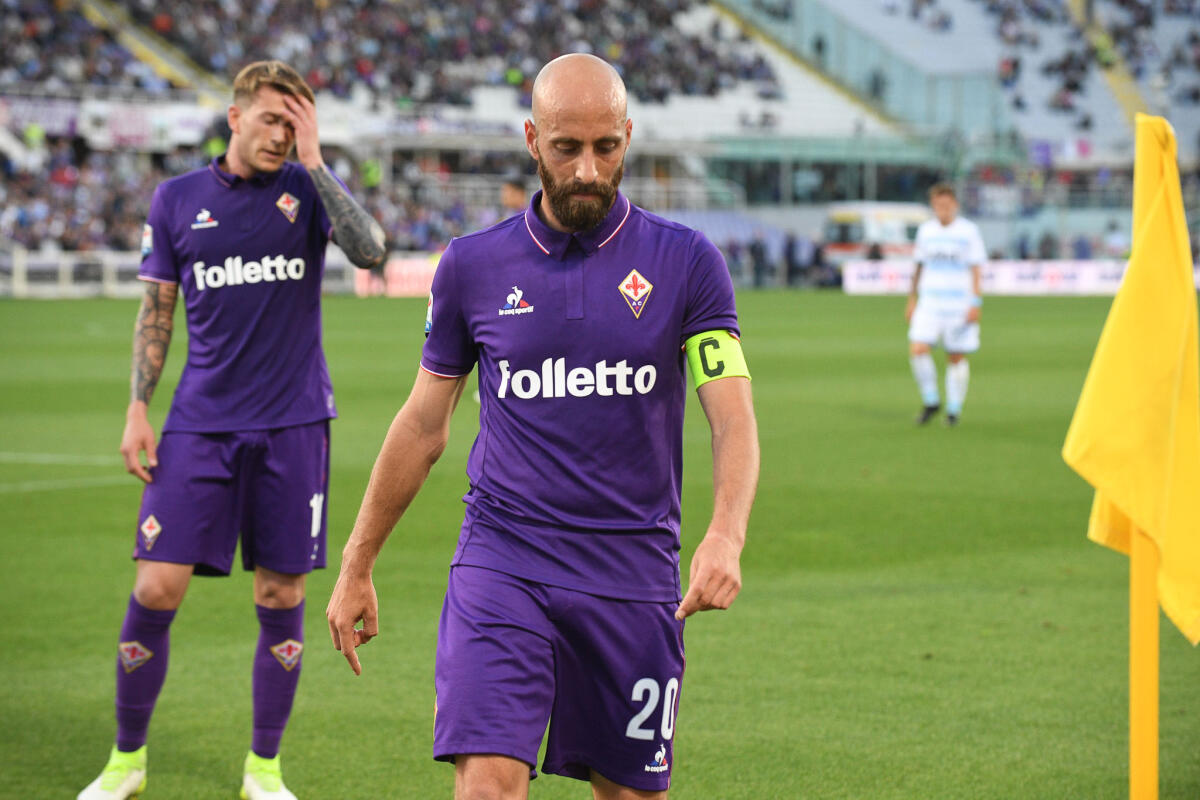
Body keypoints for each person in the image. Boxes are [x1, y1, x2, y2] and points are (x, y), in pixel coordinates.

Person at [326, 53, 760, 799]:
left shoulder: (688, 263)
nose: (588, 169)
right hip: (503, 563)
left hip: (632, 575)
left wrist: (726, 533)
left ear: (628, 137)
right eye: (566, 148)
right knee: (487, 785)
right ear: (532, 140)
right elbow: (424, 424)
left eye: (606, 147)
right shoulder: (472, 266)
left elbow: (732, 416)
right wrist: (357, 561)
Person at [78, 60, 386, 800]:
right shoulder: (178, 199)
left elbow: (372, 251)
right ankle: (126, 761)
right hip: (200, 424)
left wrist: (316, 162)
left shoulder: (306, 191)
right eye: (274, 119)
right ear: (236, 116)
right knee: (156, 587)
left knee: (281, 596)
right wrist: (137, 408)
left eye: (297, 123)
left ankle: (264, 770)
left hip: (294, 424)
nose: (283, 135)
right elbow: (156, 310)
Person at [905, 183, 986, 426]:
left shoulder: (968, 231)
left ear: (955, 205)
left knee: (956, 356)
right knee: (917, 349)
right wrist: (911, 299)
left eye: (947, 205)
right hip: (929, 302)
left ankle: (953, 409)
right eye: (938, 205)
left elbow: (976, 269)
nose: (943, 209)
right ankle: (931, 400)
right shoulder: (926, 231)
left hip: (958, 305)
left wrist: (975, 302)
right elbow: (918, 266)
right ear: (933, 206)